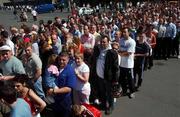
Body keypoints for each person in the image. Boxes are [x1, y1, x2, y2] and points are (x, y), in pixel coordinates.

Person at [90, 35, 119, 115]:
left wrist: (115, 80)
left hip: (108, 78)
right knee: (102, 92)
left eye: (104, 42)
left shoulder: (112, 52)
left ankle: (110, 107)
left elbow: (116, 68)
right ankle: (103, 104)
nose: (102, 44)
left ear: (108, 42)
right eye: (101, 42)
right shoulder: (99, 49)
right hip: (99, 76)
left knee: (110, 93)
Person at [47, 52, 77, 117]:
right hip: (55, 100)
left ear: (68, 60)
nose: (61, 62)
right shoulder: (55, 67)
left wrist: (54, 91)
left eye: (64, 60)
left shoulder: (70, 71)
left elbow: (68, 89)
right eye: (60, 59)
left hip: (64, 102)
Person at [119, 27, 136, 98]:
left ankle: (132, 92)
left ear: (129, 33)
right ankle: (124, 90)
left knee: (130, 79)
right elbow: (120, 49)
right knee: (122, 79)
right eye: (123, 32)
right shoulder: (121, 40)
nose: (123, 33)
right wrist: (121, 52)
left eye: (125, 32)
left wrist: (120, 53)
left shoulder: (132, 42)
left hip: (128, 64)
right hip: (121, 63)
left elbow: (129, 53)